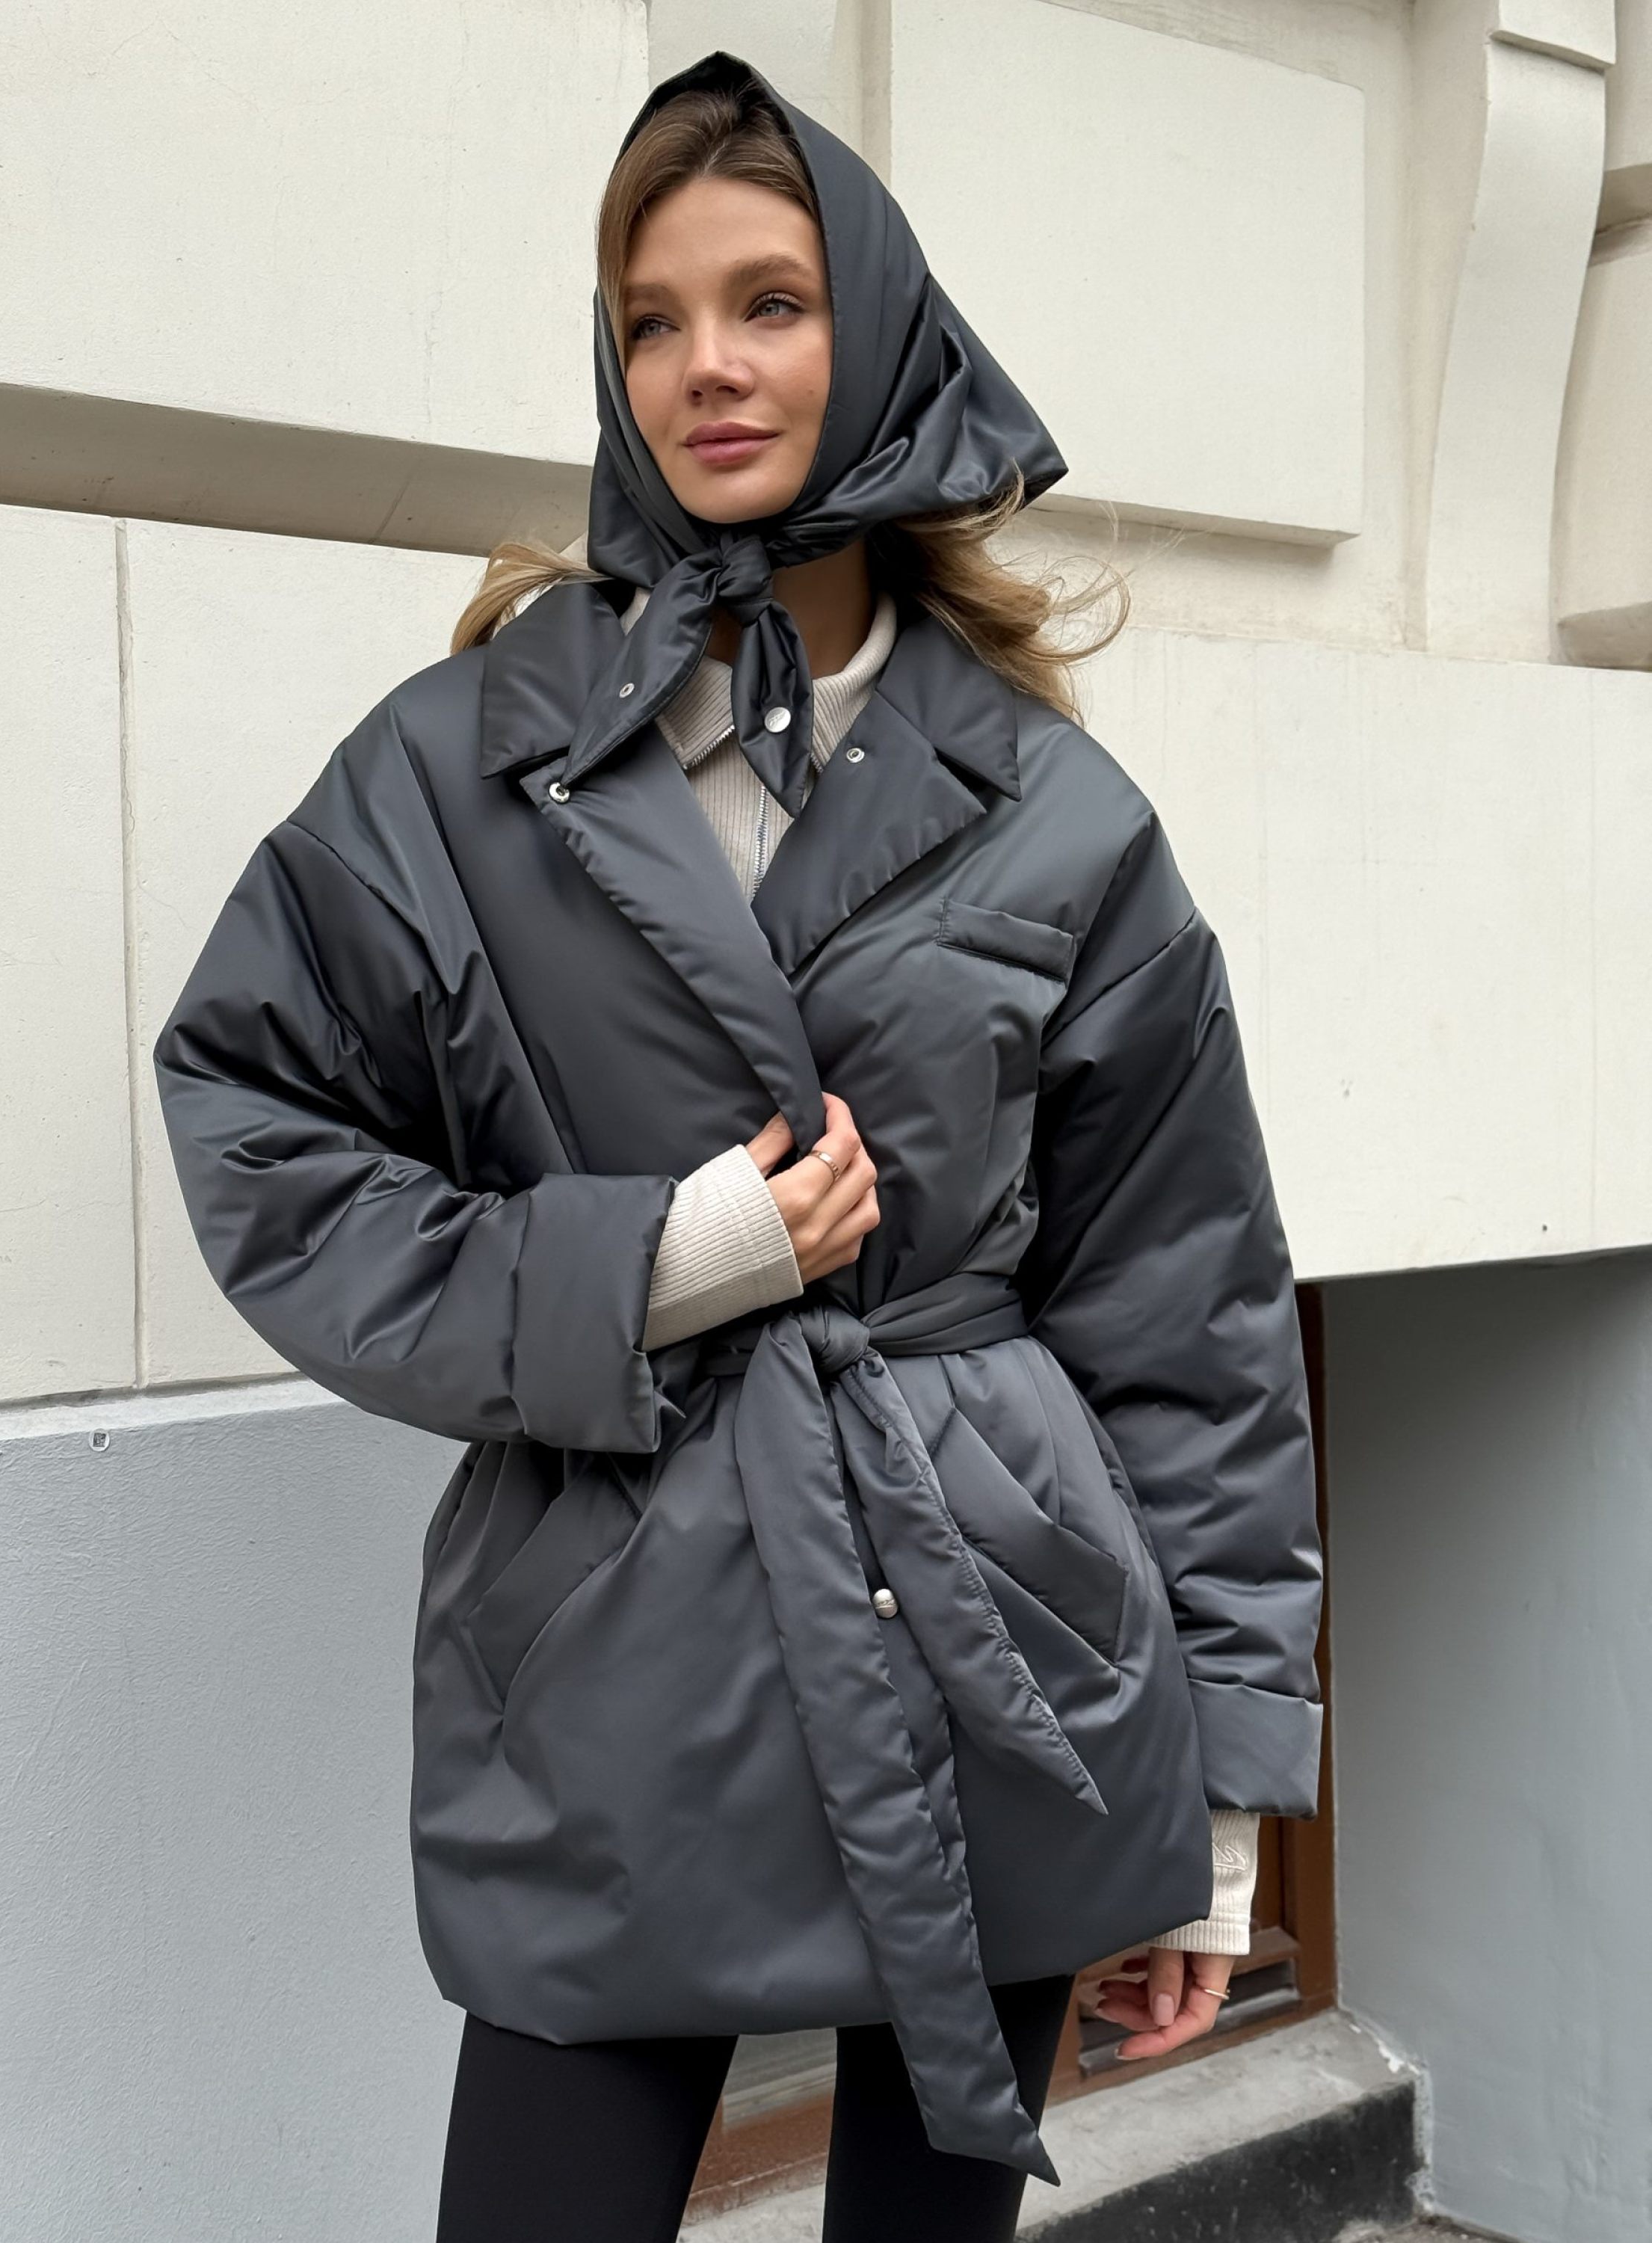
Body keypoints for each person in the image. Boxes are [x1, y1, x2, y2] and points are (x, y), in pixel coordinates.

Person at [153, 49, 1325, 2243]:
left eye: (768, 302)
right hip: (616, 1641)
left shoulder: (1058, 818)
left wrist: (1227, 1800)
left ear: (874, 334)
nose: (707, 366)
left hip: (996, 1626)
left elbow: (1187, 1310)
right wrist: (649, 1265)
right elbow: (264, 1125)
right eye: (652, 320)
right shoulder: (458, 772)